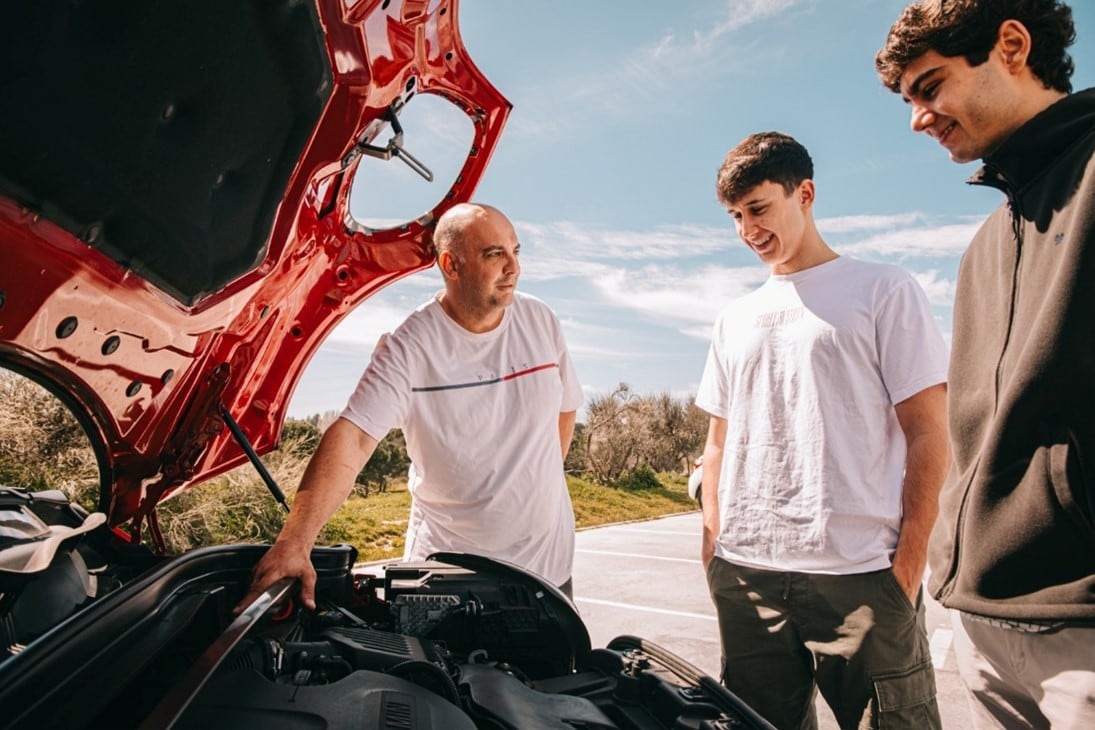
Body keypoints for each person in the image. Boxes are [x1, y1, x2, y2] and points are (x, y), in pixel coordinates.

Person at [876, 2, 1095, 727]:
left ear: (1009, 45)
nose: (918, 118)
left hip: (1082, 633)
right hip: (979, 626)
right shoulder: (982, 246)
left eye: (930, 86)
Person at [697, 131, 950, 729]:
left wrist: (909, 562)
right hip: (747, 573)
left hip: (861, 574)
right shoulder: (734, 318)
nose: (747, 230)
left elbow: (930, 433)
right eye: (735, 216)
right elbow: (717, 443)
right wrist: (712, 546)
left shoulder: (883, 289)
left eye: (758, 209)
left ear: (804, 194)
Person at [237, 202, 583, 612]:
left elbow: (565, 409)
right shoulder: (410, 346)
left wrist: (534, 482)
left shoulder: (541, 321)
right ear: (451, 265)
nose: (514, 267)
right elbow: (355, 436)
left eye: (516, 251)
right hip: (451, 581)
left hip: (549, 573)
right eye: (495, 255)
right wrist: (295, 541)